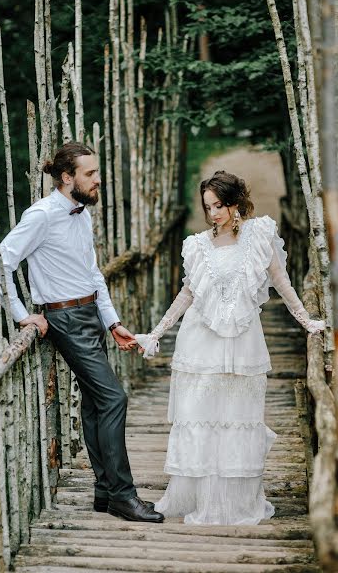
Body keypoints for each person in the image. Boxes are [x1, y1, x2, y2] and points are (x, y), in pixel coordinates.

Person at [135, 170, 324, 525]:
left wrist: (305, 320)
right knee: (200, 418)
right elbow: (188, 293)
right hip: (200, 343)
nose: (213, 214)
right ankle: (199, 498)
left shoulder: (258, 235)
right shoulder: (197, 245)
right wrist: (156, 331)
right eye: (208, 207)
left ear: (235, 203)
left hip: (242, 344)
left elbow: (281, 281)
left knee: (237, 418)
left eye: (219, 205)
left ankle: (233, 504)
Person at [0, 141, 163, 524]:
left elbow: (92, 274)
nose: (98, 179)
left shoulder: (82, 213)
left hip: (89, 313)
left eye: (96, 172)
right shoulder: (41, 215)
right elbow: (1, 261)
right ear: (66, 177)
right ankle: (124, 495)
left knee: (95, 403)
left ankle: (105, 494)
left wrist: (113, 321)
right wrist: (23, 314)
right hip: (66, 319)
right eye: (90, 174)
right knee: (113, 399)